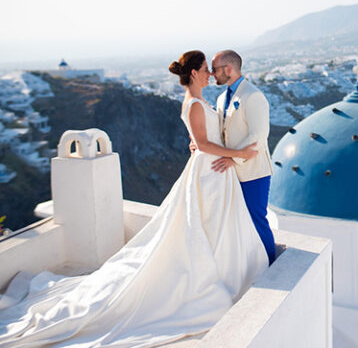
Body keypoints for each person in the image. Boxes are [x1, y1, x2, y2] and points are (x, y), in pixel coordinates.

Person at [0, 50, 269, 347]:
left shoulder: (204, 101)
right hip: (210, 171)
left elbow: (204, 139)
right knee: (205, 224)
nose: (209, 74)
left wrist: (208, 148)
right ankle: (210, 277)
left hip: (215, 171)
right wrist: (237, 154)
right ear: (194, 73)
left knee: (215, 225)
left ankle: (224, 270)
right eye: (206, 68)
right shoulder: (194, 103)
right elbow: (204, 144)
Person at [209, 50, 276, 265]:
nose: (212, 74)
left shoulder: (253, 96)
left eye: (215, 69)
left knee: (256, 220)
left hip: (253, 172)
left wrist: (234, 159)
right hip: (229, 174)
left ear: (228, 69)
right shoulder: (221, 98)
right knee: (236, 223)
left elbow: (258, 136)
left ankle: (270, 264)